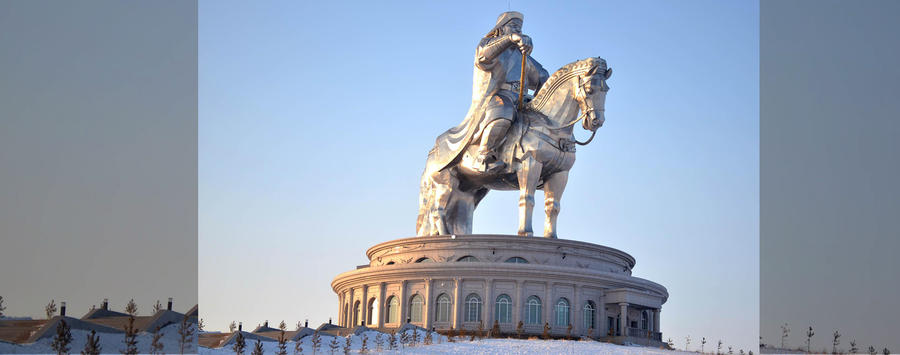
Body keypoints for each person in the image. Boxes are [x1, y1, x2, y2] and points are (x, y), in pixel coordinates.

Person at [428, 11, 550, 174]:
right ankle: (484, 155)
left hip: (521, 99)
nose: (518, 31)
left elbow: (543, 76)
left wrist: (541, 99)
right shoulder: (488, 45)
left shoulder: (523, 57)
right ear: (502, 28)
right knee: (503, 111)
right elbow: (484, 56)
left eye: (519, 29)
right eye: (513, 27)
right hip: (497, 97)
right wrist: (510, 38)